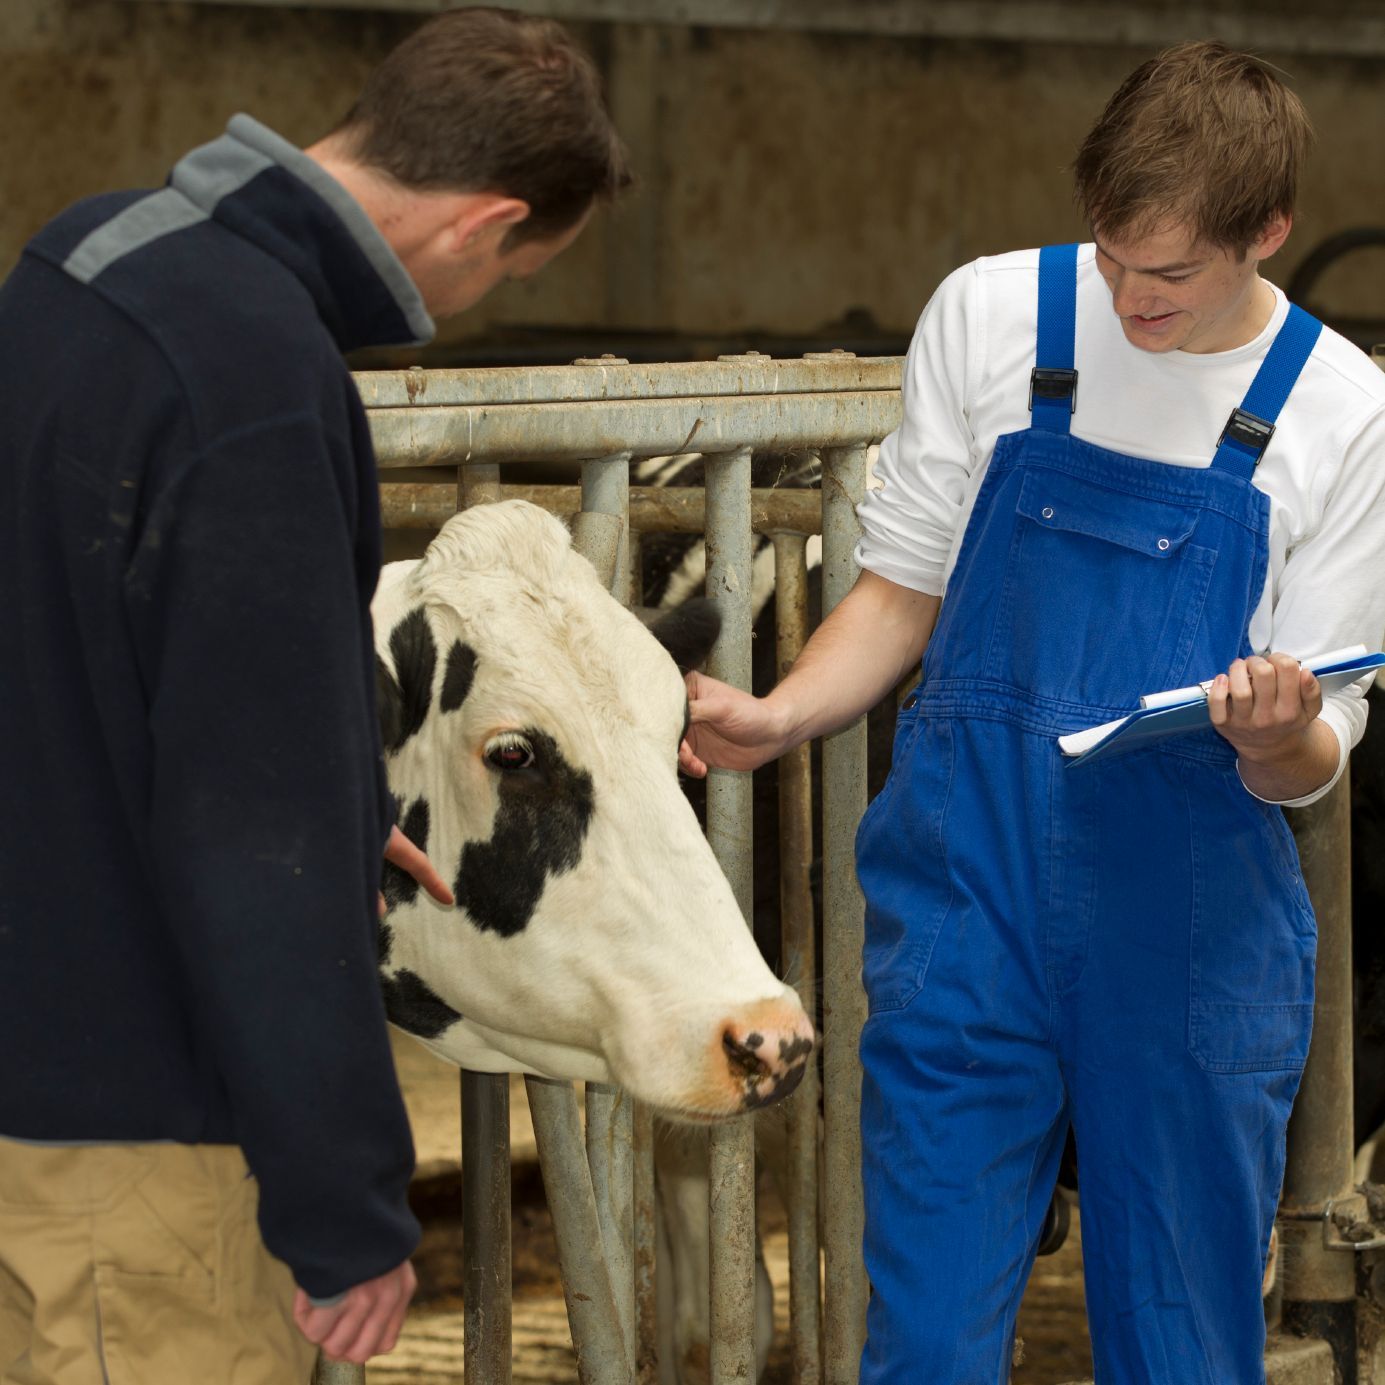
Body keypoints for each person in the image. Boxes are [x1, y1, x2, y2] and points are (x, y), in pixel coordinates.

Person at [681, 41, 1385, 1384]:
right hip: (968, 903)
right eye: (1109, 255)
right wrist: (780, 714)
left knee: (1181, 1343)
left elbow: (1314, 756)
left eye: (1169, 273)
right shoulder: (992, 313)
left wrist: (1273, 730)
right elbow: (901, 589)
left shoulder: (1345, 415)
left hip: (1187, 935)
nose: (1128, 297)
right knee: (926, 1336)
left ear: (1268, 233)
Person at [0, 8, 627, 1381]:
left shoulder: (82, 258)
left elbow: (89, 652)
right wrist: (345, 1208)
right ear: (485, 222)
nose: (480, 293)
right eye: (514, 267)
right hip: (139, 1132)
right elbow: (249, 835)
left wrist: (339, 801)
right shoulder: (259, 378)